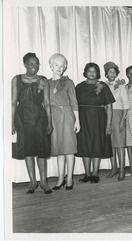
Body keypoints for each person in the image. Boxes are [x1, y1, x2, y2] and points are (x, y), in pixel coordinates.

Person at [11, 52, 53, 194]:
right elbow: (13, 102)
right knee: (28, 150)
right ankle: (32, 182)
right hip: (22, 118)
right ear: (25, 64)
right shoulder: (16, 79)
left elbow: (47, 102)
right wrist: (11, 123)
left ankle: (44, 182)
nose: (33, 66)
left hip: (40, 118)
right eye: (30, 64)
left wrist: (49, 122)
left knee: (41, 150)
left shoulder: (43, 80)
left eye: (36, 64)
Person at [75, 63, 115, 183]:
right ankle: (87, 174)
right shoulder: (79, 87)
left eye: (94, 71)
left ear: (97, 73)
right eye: (89, 71)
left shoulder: (103, 86)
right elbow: (73, 104)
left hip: (99, 120)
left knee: (97, 145)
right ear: (85, 72)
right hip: (83, 119)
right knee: (85, 146)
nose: (91, 73)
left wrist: (108, 124)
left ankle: (95, 174)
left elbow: (109, 106)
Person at [49, 53, 80, 190]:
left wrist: (77, 120)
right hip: (53, 118)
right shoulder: (46, 83)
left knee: (69, 149)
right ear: (51, 65)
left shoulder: (68, 82)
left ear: (65, 67)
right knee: (59, 149)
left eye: (62, 65)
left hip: (67, 116)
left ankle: (69, 179)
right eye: (56, 65)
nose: (59, 68)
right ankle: (60, 178)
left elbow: (74, 102)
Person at [104, 61, 129, 181]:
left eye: (114, 71)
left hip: (118, 115)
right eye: (110, 71)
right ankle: (114, 168)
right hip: (106, 117)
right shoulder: (102, 86)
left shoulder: (121, 86)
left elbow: (126, 104)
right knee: (110, 144)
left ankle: (122, 169)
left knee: (119, 145)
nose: (112, 73)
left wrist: (122, 120)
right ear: (106, 74)